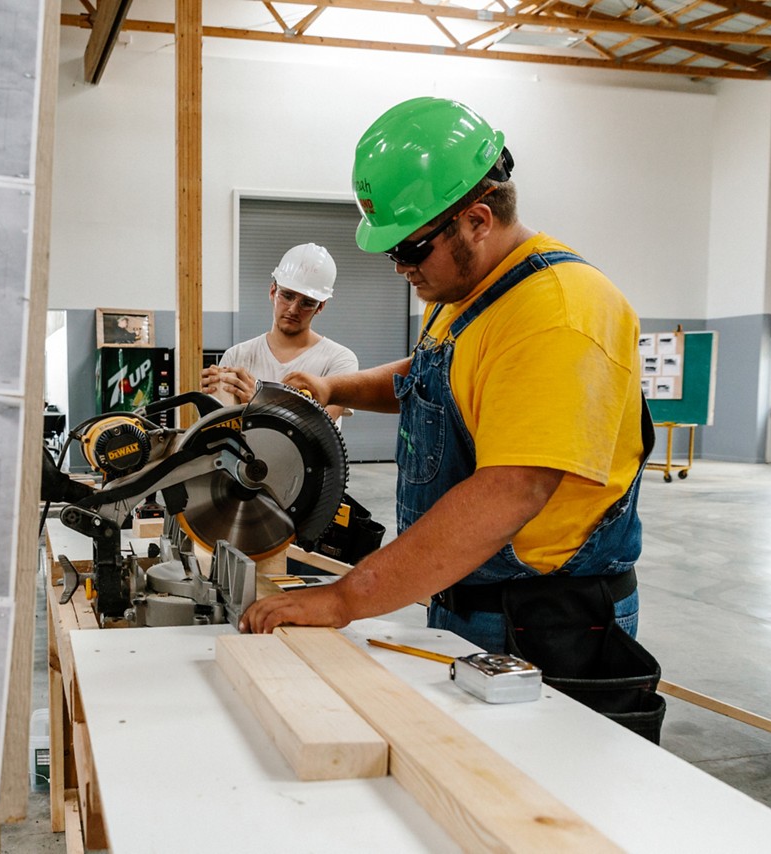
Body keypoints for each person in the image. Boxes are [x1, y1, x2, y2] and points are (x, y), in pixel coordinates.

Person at [241, 97, 654, 658]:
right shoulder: (468, 292)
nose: (400, 268)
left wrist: (346, 598)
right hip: (466, 595)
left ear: (477, 221)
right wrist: (335, 388)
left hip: (545, 623)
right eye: (391, 252)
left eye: (410, 248)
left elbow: (511, 489)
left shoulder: (558, 312)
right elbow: (431, 375)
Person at [201, 243, 358, 422]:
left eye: (306, 303)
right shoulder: (238, 356)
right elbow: (219, 431)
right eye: (288, 296)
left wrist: (260, 400)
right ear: (273, 291)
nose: (293, 309)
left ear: (320, 306)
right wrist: (209, 400)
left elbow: (322, 431)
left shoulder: (340, 360)